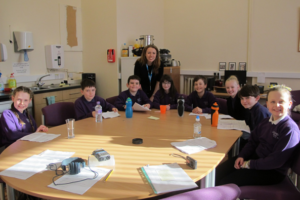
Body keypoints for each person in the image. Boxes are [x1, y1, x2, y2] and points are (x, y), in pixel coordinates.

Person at [216, 85, 300, 187]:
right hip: (256, 160)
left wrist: (250, 164)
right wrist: (242, 155)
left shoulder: (289, 129)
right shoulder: (266, 122)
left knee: (225, 183)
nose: (276, 105)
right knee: (218, 172)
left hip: (272, 171)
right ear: (267, 104)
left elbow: (275, 161)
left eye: (281, 102)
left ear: (289, 104)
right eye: (272, 102)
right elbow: (252, 141)